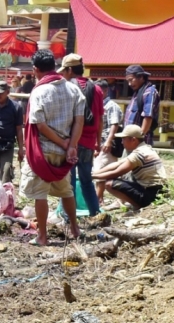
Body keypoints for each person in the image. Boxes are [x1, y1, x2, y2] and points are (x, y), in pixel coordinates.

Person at [19, 49, 84, 246]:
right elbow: (79, 121)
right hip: (65, 153)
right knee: (66, 191)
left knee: (40, 194)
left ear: (36, 70)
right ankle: (74, 227)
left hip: (43, 150)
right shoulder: (74, 90)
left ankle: (42, 236)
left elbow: (40, 124)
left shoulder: (39, 91)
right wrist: (71, 145)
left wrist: (64, 143)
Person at [58, 53, 103, 217]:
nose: (63, 74)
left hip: (71, 143)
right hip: (89, 143)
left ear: (70, 70)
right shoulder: (96, 89)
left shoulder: (67, 87)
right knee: (86, 181)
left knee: (68, 182)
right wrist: (98, 142)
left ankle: (68, 217)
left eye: (65, 70)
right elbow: (99, 118)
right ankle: (96, 214)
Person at [92, 125, 166, 211]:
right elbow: (118, 164)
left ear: (133, 139)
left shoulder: (139, 154)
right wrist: (95, 173)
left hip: (152, 193)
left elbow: (117, 172)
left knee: (109, 184)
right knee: (126, 176)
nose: (122, 142)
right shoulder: (145, 148)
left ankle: (138, 206)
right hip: (158, 191)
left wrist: (93, 177)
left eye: (124, 139)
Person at [94, 79, 124, 204]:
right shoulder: (97, 104)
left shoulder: (112, 106)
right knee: (99, 170)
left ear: (106, 90)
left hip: (107, 143)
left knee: (102, 171)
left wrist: (108, 141)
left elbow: (114, 124)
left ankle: (99, 199)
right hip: (98, 143)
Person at [124, 65, 160, 145]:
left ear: (141, 77)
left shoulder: (149, 92)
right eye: (127, 81)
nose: (129, 84)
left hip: (138, 142)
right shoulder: (138, 92)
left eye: (131, 80)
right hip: (130, 140)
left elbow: (148, 116)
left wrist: (139, 137)